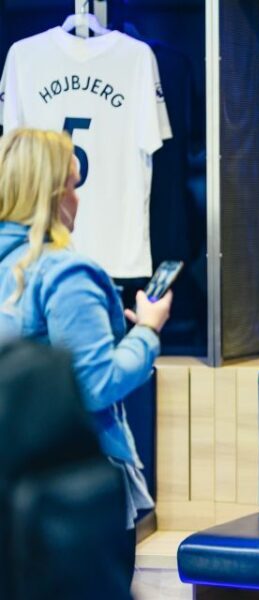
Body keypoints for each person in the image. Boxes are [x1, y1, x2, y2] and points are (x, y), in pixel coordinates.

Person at [0, 128, 172, 580]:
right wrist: (148, 332)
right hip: (70, 491)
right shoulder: (64, 272)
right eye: (74, 186)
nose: (79, 198)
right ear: (54, 194)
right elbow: (93, 386)